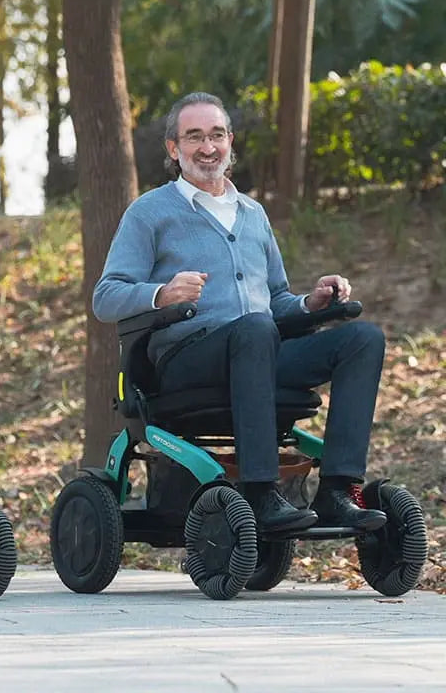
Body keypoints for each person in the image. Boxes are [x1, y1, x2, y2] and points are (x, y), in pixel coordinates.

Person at [93, 92, 387, 533]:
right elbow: (106, 296)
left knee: (363, 339)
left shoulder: (253, 214)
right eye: (194, 137)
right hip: (189, 361)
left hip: (260, 349)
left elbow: (276, 300)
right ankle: (261, 492)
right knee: (254, 330)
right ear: (173, 149)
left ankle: (337, 490)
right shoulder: (150, 213)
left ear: (230, 141)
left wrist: (313, 303)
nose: (208, 147)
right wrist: (161, 293)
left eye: (216, 135)